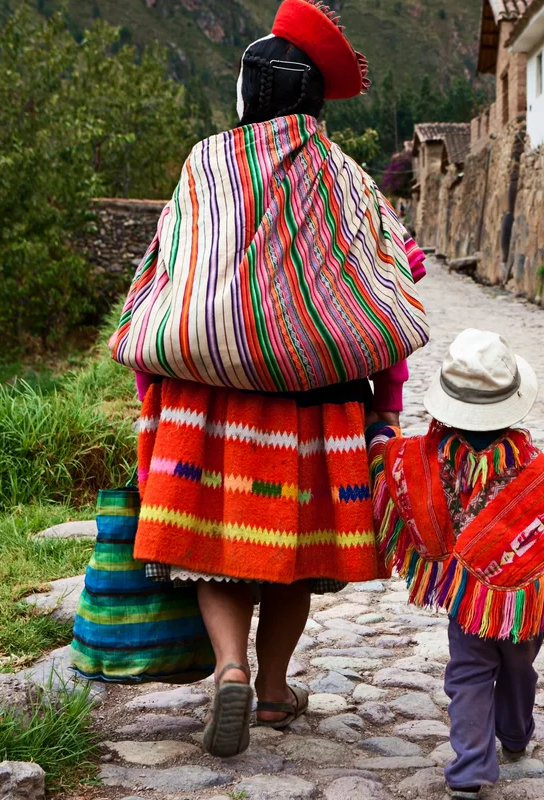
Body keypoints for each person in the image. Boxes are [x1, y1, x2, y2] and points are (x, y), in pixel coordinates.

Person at [124, 0, 424, 758]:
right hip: (314, 403)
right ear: (313, 101)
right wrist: (386, 409)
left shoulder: (204, 165)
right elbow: (386, 284)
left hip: (204, 397)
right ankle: (272, 690)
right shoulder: (346, 180)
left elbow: (167, 273)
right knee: (291, 551)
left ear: (247, 96)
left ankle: (227, 666)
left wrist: (151, 391)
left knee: (213, 545)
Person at [366, 330, 544, 799]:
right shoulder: (530, 464)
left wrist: (377, 433)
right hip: (524, 601)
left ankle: (471, 769)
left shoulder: (428, 456)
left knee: (468, 674)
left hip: (468, 602)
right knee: (519, 666)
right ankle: (516, 734)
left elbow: (389, 458)